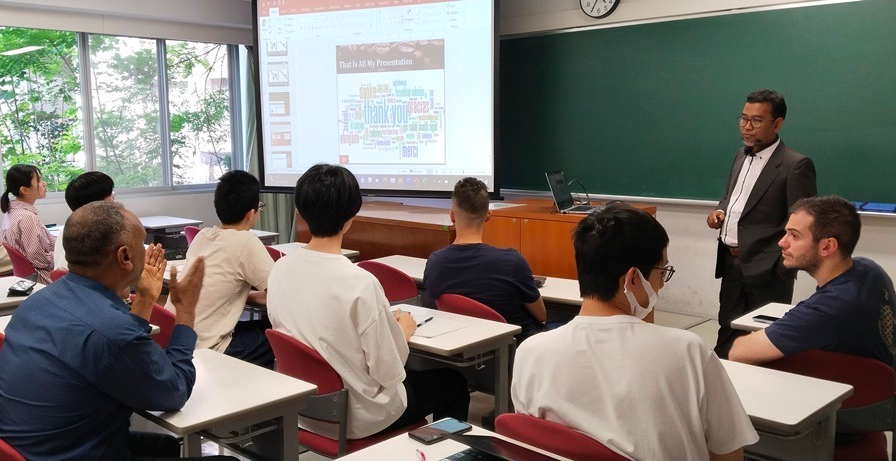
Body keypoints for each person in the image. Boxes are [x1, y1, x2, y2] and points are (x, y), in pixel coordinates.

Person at [0, 201, 233, 461]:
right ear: (125, 257)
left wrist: (146, 298)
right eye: (142, 244)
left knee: (164, 445)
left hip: (25, 449)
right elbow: (175, 391)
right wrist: (185, 310)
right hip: (66, 453)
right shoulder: (112, 332)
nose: (146, 250)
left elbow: (113, 345)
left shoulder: (37, 303)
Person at [512, 203, 758, 461]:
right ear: (632, 279)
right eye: (662, 272)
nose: (662, 284)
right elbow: (728, 452)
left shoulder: (530, 352)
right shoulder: (688, 352)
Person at [267, 164, 469, 439]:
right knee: (454, 383)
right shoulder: (360, 283)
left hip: (302, 407)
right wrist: (402, 333)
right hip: (357, 417)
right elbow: (389, 372)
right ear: (351, 217)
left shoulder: (280, 269)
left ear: (300, 211)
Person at [707, 88, 817, 357]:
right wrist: (719, 211)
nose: (746, 126)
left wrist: (782, 268)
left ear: (777, 124)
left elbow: (803, 222)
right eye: (743, 119)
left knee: (766, 338)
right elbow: (731, 197)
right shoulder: (740, 155)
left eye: (756, 120)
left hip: (768, 269)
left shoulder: (795, 164)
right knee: (727, 327)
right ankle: (722, 377)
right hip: (731, 261)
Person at [729, 196, 896, 365]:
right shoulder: (870, 270)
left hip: (839, 380)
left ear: (827, 246)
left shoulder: (826, 309)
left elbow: (738, 353)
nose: (782, 242)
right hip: (869, 377)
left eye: (794, 235)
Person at [165, 170, 274, 367]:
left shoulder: (202, 236)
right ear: (251, 213)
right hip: (208, 349)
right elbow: (278, 296)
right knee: (278, 336)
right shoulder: (246, 241)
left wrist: (244, 296)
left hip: (177, 340)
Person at [423, 177, 547, 341]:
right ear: (488, 215)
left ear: (452, 216)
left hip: (462, 345)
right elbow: (541, 316)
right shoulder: (512, 262)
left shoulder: (435, 263)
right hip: (519, 347)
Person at [0, 164, 57, 283]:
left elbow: (49, 242)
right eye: (39, 180)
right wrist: (64, 256)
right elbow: (40, 260)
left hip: (30, 278)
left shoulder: (13, 211)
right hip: (43, 279)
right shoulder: (27, 218)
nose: (44, 183)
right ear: (25, 190)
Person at [53, 171, 115, 271]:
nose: (113, 198)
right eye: (110, 194)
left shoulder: (68, 229)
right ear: (97, 204)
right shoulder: (100, 234)